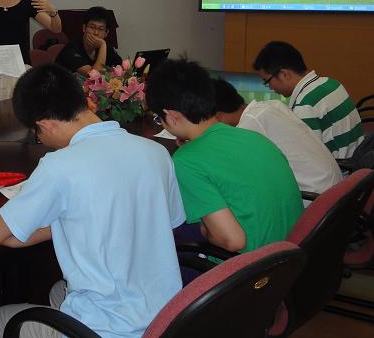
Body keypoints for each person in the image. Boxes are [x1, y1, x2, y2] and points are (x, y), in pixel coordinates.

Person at [0, 64, 185, 338]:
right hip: (167, 318)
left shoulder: (59, 166)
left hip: (108, 329)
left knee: (1, 319)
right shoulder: (156, 152)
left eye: (37, 134)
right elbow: (167, 221)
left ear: (44, 124)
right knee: (59, 291)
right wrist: (71, 222)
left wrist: (60, 223)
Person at [146, 58, 303, 254]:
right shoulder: (253, 137)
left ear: (171, 115)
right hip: (292, 252)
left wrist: (205, 230)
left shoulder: (186, 162)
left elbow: (233, 241)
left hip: (253, 265)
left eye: (158, 118)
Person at [213, 77, 342, 198]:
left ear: (217, 116)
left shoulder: (249, 124)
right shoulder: (271, 105)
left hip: (313, 196)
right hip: (333, 188)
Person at [253, 41, 364, 160]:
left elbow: (306, 160)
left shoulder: (305, 105)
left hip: (342, 169)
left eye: (267, 81)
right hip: (358, 160)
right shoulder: (332, 84)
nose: (270, 87)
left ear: (284, 74)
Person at [55, 6, 122, 76]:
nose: (96, 33)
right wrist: (102, 45)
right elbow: (93, 76)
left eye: (101, 29)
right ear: (84, 28)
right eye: (92, 27)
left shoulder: (106, 47)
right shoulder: (70, 49)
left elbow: (122, 68)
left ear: (106, 33)